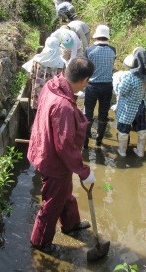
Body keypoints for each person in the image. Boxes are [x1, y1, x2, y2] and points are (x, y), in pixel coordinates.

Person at [28, 57, 96, 254]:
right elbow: (65, 146)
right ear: (84, 80)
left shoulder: (52, 84)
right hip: (54, 162)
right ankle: (40, 242)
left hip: (43, 148)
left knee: (64, 193)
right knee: (51, 203)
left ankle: (70, 224)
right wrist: (84, 171)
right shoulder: (64, 106)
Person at [115, 47, 146, 157]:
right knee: (141, 129)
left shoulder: (130, 75)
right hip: (141, 105)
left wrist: (117, 83)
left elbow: (121, 91)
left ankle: (122, 152)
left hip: (128, 107)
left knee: (124, 130)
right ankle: (140, 152)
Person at [84, 25, 116, 148]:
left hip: (92, 86)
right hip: (107, 86)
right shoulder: (113, 50)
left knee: (88, 113)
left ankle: (85, 141)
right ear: (107, 36)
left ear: (96, 36)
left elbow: (86, 68)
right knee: (103, 113)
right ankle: (99, 140)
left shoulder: (89, 50)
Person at [21, 36, 66, 116]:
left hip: (38, 97)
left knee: (38, 117)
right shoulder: (61, 64)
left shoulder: (37, 61)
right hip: (54, 99)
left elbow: (31, 76)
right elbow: (64, 82)